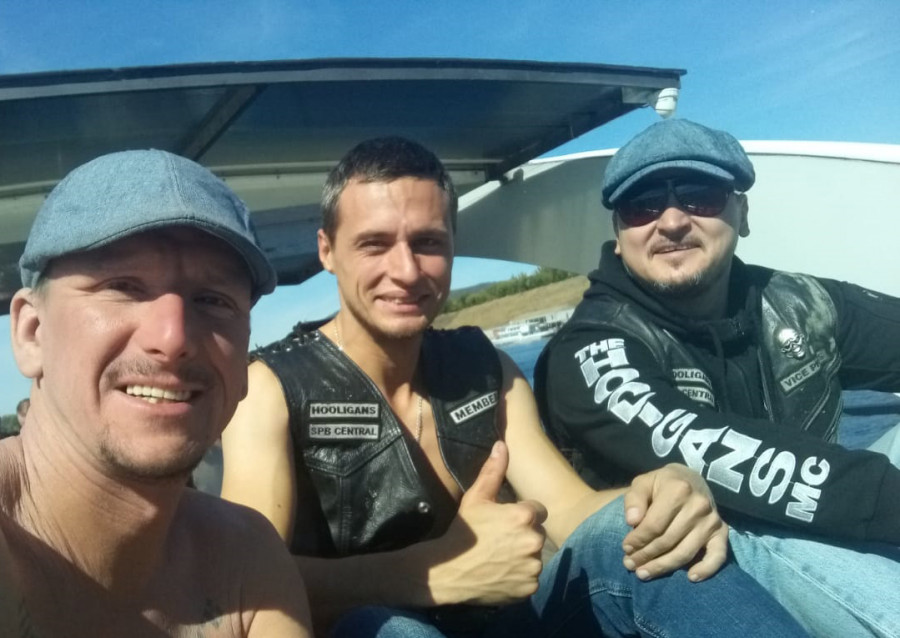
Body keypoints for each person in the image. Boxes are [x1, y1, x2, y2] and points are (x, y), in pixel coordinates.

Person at [221, 136, 809, 637]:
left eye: (428, 242)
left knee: (647, 541)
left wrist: (659, 494)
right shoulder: (270, 389)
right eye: (374, 244)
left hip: (510, 622)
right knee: (385, 628)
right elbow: (237, 582)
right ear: (327, 251)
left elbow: (570, 511)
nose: (405, 270)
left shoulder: (487, 368)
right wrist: (435, 573)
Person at [535, 118, 900, 638]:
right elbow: (743, 463)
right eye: (642, 206)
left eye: (699, 195)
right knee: (745, 527)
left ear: (742, 213)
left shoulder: (802, 303)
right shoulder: (590, 351)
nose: (671, 221)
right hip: (692, 569)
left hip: (818, 523)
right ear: (618, 234)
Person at [0, 150, 312, 637]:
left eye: (213, 299)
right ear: (32, 334)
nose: (173, 338)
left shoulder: (247, 558)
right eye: (123, 286)